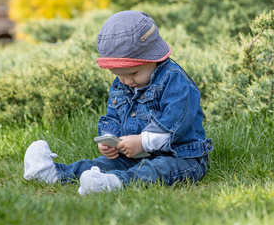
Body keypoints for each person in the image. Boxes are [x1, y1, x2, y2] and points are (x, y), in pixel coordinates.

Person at [23, 11, 213, 195]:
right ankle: (54, 174)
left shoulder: (175, 81)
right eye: (118, 75)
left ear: (154, 59)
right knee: (102, 164)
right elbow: (113, 116)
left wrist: (142, 142)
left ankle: (113, 183)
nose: (126, 82)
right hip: (134, 155)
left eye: (133, 74)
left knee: (157, 170)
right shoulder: (123, 83)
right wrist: (109, 139)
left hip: (181, 156)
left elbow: (175, 123)